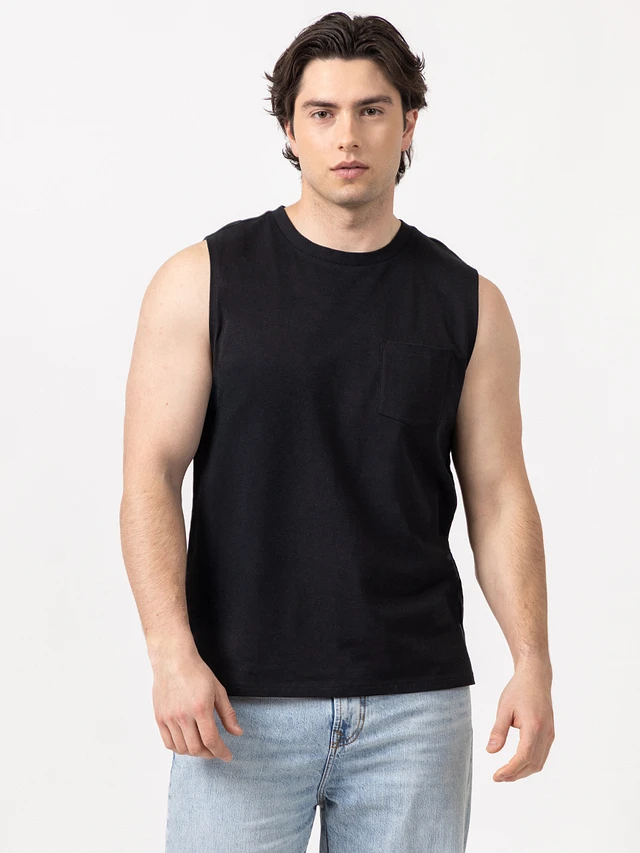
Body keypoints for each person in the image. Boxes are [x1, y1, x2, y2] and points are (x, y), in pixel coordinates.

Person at [119, 11, 554, 853]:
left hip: (414, 709)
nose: (347, 136)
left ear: (408, 124)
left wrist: (531, 659)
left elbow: (501, 495)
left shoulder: (468, 302)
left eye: (371, 110)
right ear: (290, 129)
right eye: (321, 113)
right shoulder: (202, 281)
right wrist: (171, 653)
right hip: (236, 701)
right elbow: (149, 475)